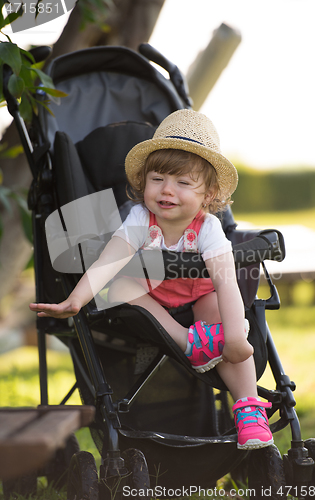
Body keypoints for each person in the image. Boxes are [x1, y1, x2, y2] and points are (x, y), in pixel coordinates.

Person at [29, 109, 273, 450]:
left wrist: (233, 336)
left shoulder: (209, 228)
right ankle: (189, 341)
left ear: (209, 194)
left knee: (227, 324)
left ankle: (248, 409)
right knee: (122, 287)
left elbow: (226, 283)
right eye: (157, 179)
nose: (167, 191)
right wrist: (77, 298)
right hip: (154, 292)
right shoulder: (141, 217)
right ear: (144, 181)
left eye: (183, 183)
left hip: (200, 291)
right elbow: (110, 258)